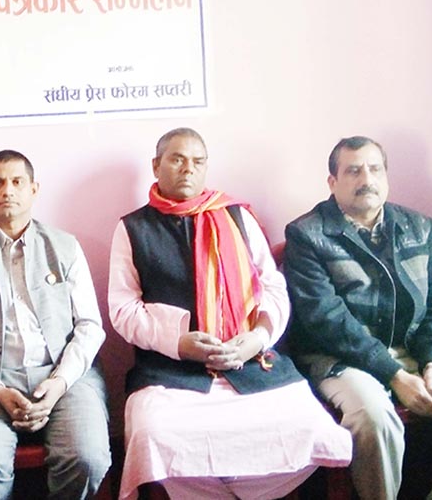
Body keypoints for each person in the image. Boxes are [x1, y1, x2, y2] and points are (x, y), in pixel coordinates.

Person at [108, 127, 352, 500]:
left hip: (252, 363)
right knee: (154, 434)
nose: (188, 169)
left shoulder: (235, 216)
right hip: (172, 372)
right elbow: (124, 309)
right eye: (177, 159)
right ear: (156, 166)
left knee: (306, 424)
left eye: (197, 161)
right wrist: (178, 343)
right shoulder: (133, 227)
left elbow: (272, 286)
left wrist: (256, 338)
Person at [283, 136, 432, 500]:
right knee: (374, 418)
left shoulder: (420, 227)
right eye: (354, 170)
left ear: (386, 176)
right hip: (345, 359)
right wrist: (395, 376)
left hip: (416, 352)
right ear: (332, 182)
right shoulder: (307, 234)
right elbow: (325, 321)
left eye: (375, 169)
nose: (367, 179)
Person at [0, 150, 110, 499]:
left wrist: (59, 382)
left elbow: (90, 326)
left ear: (34, 189)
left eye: (18, 182)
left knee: (88, 459)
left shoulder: (65, 247)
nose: (8, 191)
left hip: (63, 375)